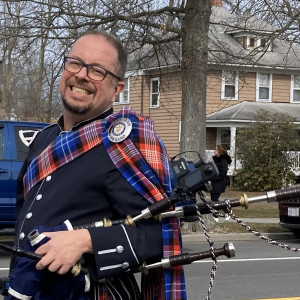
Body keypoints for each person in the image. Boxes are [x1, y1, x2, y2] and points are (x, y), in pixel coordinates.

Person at [6, 30, 187, 300]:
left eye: (97, 70)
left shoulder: (125, 144)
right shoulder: (43, 139)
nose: (81, 75)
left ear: (117, 89)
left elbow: (162, 235)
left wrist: (86, 240)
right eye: (75, 63)